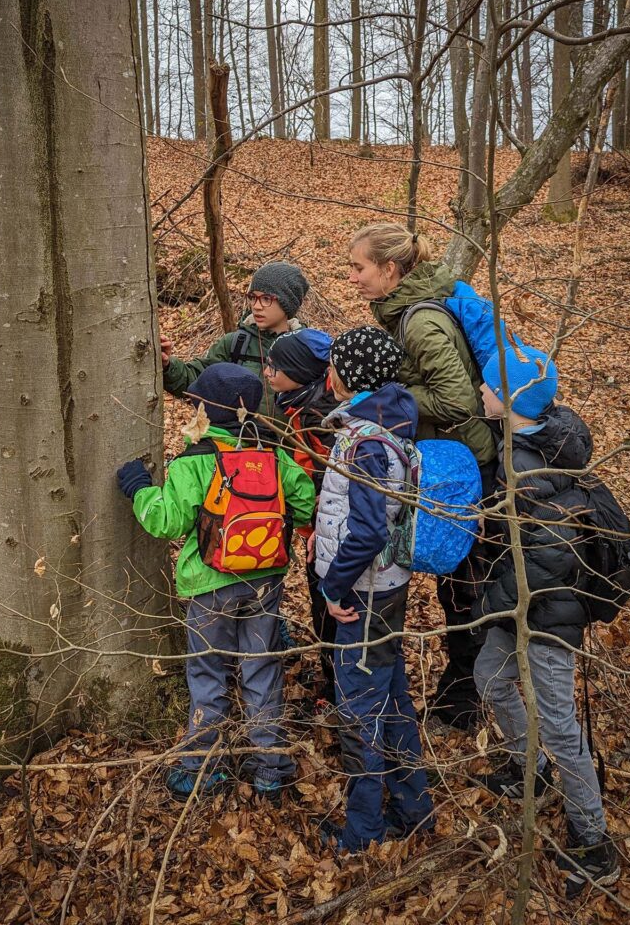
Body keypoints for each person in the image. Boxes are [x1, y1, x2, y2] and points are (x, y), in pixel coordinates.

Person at [117, 363, 316, 803]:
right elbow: (304, 506)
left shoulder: (195, 464)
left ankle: (204, 766)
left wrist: (137, 489)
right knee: (261, 667)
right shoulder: (273, 455)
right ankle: (270, 766)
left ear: (205, 413)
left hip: (209, 585)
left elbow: (166, 521)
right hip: (266, 579)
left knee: (207, 671)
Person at [472, 345, 619, 900]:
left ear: (509, 399)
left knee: (559, 723)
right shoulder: (527, 442)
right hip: (519, 606)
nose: (481, 392)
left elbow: (552, 557)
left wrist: (498, 601)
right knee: (490, 676)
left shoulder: (529, 468)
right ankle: (527, 769)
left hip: (547, 615)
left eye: (488, 386)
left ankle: (594, 842)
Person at [348, 222, 497, 732]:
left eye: (359, 268)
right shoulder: (402, 314)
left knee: (465, 587)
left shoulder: (419, 323)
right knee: (460, 584)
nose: (353, 278)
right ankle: (464, 693)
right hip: (449, 462)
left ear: (390, 270)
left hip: (467, 468)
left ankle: (464, 702)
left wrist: (392, 403)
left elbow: (458, 400)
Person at [315, 326, 434, 852]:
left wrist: (334, 588)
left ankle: (362, 830)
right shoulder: (394, 426)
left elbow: (367, 530)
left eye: (334, 364)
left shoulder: (363, 443)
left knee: (361, 710)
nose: (328, 373)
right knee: (392, 699)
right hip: (389, 588)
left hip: (362, 595)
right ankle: (415, 809)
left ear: (348, 375)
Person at [263, 328, 339, 706]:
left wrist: (315, 527)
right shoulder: (299, 403)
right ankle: (333, 682)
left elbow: (324, 480)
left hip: (328, 536)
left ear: (297, 370)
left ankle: (339, 690)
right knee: (323, 608)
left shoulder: (318, 416)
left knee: (331, 610)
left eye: (275, 367)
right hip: (316, 531)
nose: (266, 373)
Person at [160, 261, 309, 423]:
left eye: (266, 298)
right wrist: (167, 366)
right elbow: (198, 383)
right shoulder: (236, 344)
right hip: (239, 445)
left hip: (291, 446)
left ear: (288, 302)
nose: (256, 306)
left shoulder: (307, 348)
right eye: (253, 297)